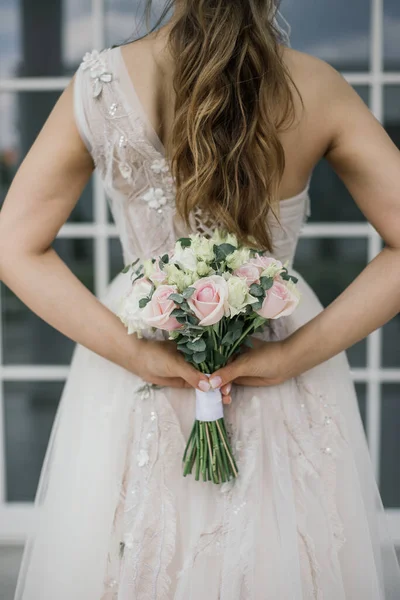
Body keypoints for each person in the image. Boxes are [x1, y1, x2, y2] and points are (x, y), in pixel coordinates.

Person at [1, 0, 400, 598]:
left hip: (140, 361)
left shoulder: (102, 83)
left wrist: (138, 354)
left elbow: (13, 246)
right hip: (276, 355)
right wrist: (290, 357)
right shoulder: (319, 86)